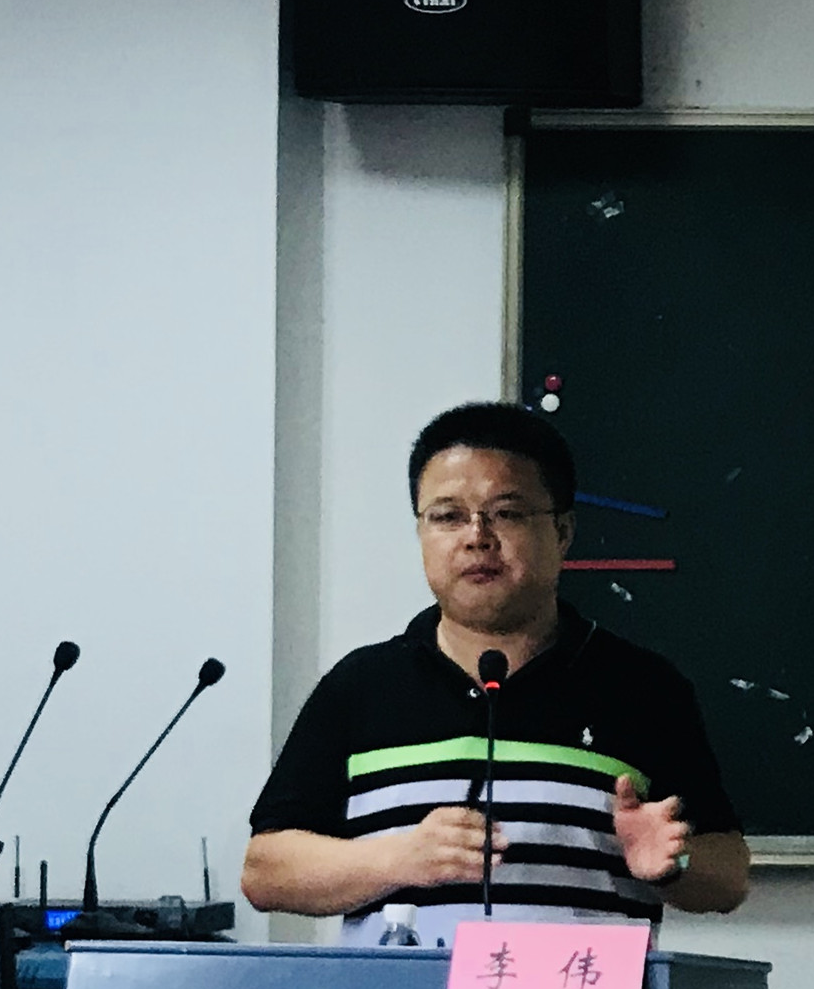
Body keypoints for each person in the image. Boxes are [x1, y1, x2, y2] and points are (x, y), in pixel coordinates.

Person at [243, 401, 750, 945]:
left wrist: (674, 862)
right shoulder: (360, 685)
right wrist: (398, 858)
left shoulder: (643, 687)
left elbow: (729, 876)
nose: (477, 537)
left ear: (563, 531)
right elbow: (265, 872)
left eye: (506, 513)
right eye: (447, 516)